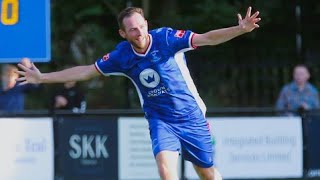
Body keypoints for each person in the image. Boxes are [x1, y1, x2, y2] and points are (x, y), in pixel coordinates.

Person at [17, 6, 261, 180]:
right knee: (166, 170)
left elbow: (207, 38)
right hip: (160, 119)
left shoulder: (166, 38)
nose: (139, 33)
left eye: (141, 27)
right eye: (132, 30)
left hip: (191, 116)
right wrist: (42, 77)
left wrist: (240, 29)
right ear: (123, 34)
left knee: (205, 172)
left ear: (147, 25)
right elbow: (86, 71)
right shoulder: (122, 56)